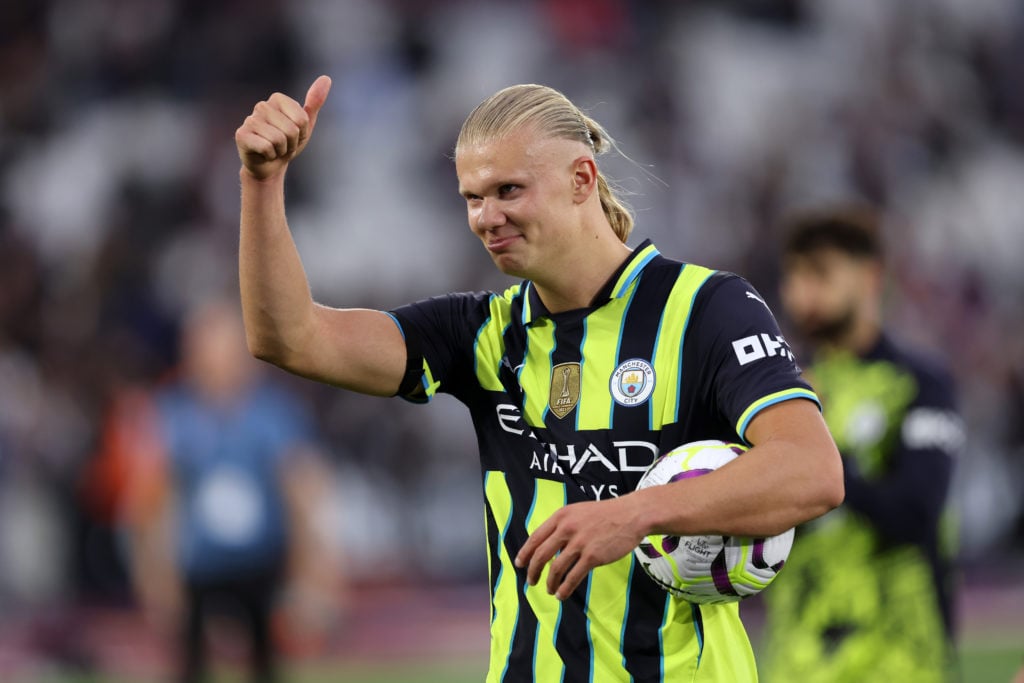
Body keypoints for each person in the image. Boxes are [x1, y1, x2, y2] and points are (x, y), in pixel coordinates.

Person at [235, 75, 844, 681]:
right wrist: (262, 184)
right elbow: (289, 338)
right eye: (472, 198)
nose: (486, 217)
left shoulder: (706, 310)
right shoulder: (482, 333)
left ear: (582, 179)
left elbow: (812, 471)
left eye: (508, 190)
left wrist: (637, 513)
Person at [760, 206, 964, 682]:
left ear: (870, 277)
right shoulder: (778, 388)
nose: (802, 292)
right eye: (793, 275)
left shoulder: (918, 381)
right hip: (795, 656)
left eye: (821, 273)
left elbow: (915, 512)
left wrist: (819, 458)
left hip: (899, 656)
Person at [127, 298, 339, 683]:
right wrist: (155, 575)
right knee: (189, 665)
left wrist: (313, 572)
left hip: (263, 565)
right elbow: (151, 501)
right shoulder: (172, 414)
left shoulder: (273, 413)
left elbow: (304, 492)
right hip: (198, 569)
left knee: (267, 662)